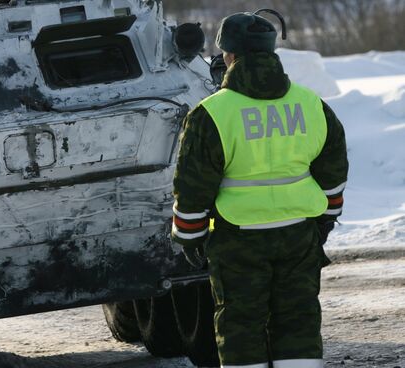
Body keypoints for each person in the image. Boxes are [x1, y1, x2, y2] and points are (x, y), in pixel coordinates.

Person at [171, 11, 349, 368]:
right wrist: (325, 220)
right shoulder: (311, 104)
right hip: (299, 235)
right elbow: (334, 172)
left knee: (240, 324)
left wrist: (189, 236)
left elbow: (193, 187)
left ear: (231, 56)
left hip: (238, 240)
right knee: (298, 321)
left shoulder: (211, 114)